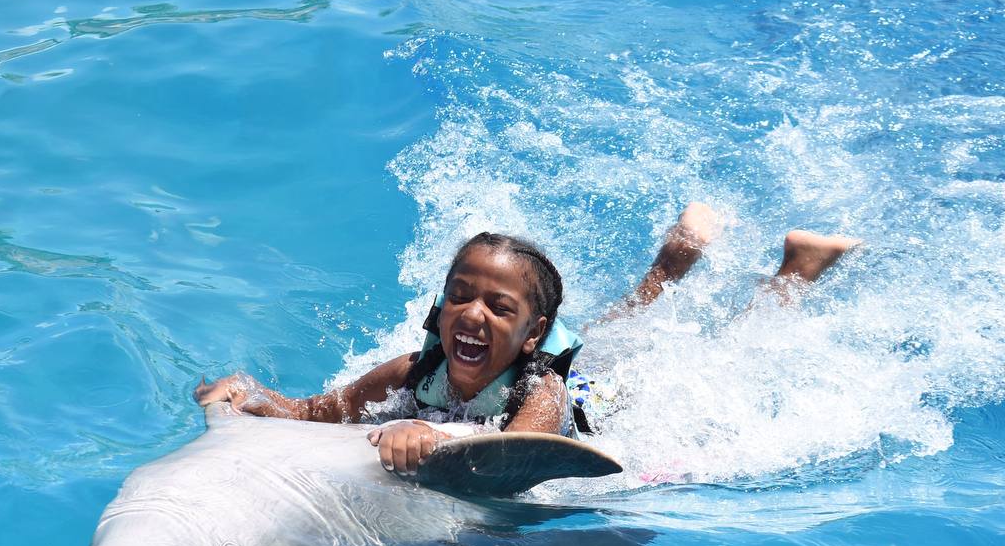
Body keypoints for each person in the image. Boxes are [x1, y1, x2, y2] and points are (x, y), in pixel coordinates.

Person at [195, 204, 859, 475]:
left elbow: (526, 451)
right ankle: (674, 259)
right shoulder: (410, 370)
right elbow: (317, 411)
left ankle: (795, 270)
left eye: (497, 306)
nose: (473, 314)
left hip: (598, 397)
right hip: (563, 363)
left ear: (532, 331)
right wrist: (250, 395)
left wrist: (435, 441)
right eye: (459, 296)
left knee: (702, 359)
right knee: (618, 326)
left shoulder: (540, 387)